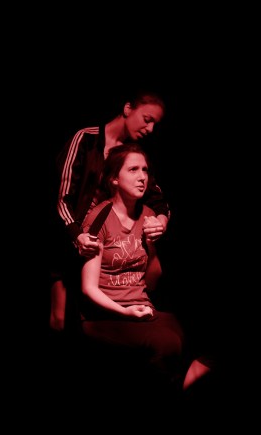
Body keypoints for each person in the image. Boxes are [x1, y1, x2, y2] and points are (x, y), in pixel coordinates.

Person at [79, 143, 210, 397]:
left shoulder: (148, 215)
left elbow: (152, 281)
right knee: (167, 343)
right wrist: (125, 311)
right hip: (104, 314)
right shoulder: (100, 217)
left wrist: (151, 245)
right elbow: (88, 288)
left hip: (140, 306)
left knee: (192, 332)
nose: (142, 177)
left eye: (145, 170)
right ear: (114, 179)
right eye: (133, 170)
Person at [49, 90, 169, 332]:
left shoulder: (133, 154)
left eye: (155, 124)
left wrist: (161, 222)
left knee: (100, 319)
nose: (150, 129)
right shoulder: (86, 139)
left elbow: (158, 200)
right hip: (71, 239)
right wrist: (77, 235)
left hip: (105, 248)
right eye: (147, 119)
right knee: (61, 319)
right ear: (128, 109)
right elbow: (62, 197)